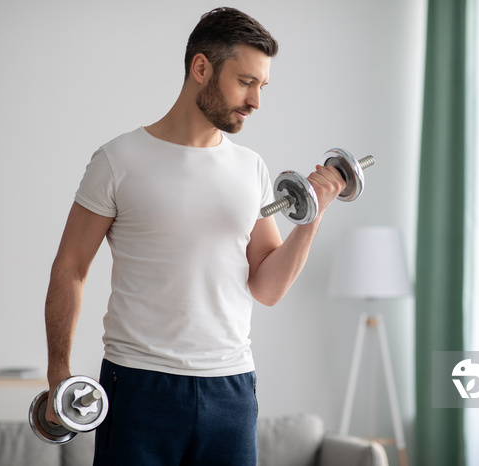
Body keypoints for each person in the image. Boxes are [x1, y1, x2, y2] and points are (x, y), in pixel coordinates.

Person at [43, 7, 345, 465]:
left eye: (262, 86)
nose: (256, 101)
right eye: (246, 82)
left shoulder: (251, 169)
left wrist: (311, 219)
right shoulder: (117, 160)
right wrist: (58, 375)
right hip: (137, 385)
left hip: (231, 390)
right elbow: (70, 269)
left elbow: (266, 288)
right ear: (201, 68)